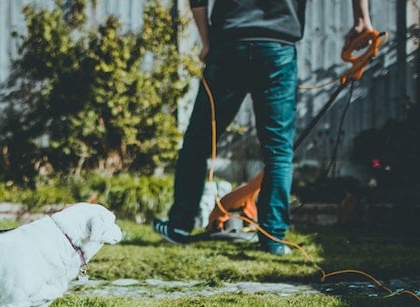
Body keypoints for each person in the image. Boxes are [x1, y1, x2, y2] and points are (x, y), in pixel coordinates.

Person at [153, 0, 373, 255]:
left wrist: (206, 41)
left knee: (198, 141)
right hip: (277, 48)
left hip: (229, 45)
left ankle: (179, 226)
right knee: (278, 150)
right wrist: (361, 19)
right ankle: (273, 239)